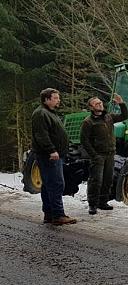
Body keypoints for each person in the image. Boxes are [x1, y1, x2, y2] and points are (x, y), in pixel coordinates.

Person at [31, 88, 77, 225]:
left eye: (58, 97)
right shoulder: (41, 113)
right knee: (57, 184)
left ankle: (49, 214)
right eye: (55, 98)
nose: (58, 100)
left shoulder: (50, 113)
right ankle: (58, 215)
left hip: (54, 154)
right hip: (48, 155)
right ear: (46, 99)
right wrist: (51, 150)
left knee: (48, 184)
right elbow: (41, 135)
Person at [80, 94, 128, 215]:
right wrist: (94, 155)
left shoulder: (108, 117)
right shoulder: (88, 122)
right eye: (96, 103)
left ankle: (103, 202)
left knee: (108, 179)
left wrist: (121, 103)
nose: (100, 104)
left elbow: (124, 116)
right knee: (96, 180)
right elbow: (84, 140)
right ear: (91, 107)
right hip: (98, 155)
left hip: (110, 154)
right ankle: (92, 204)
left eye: (100, 102)